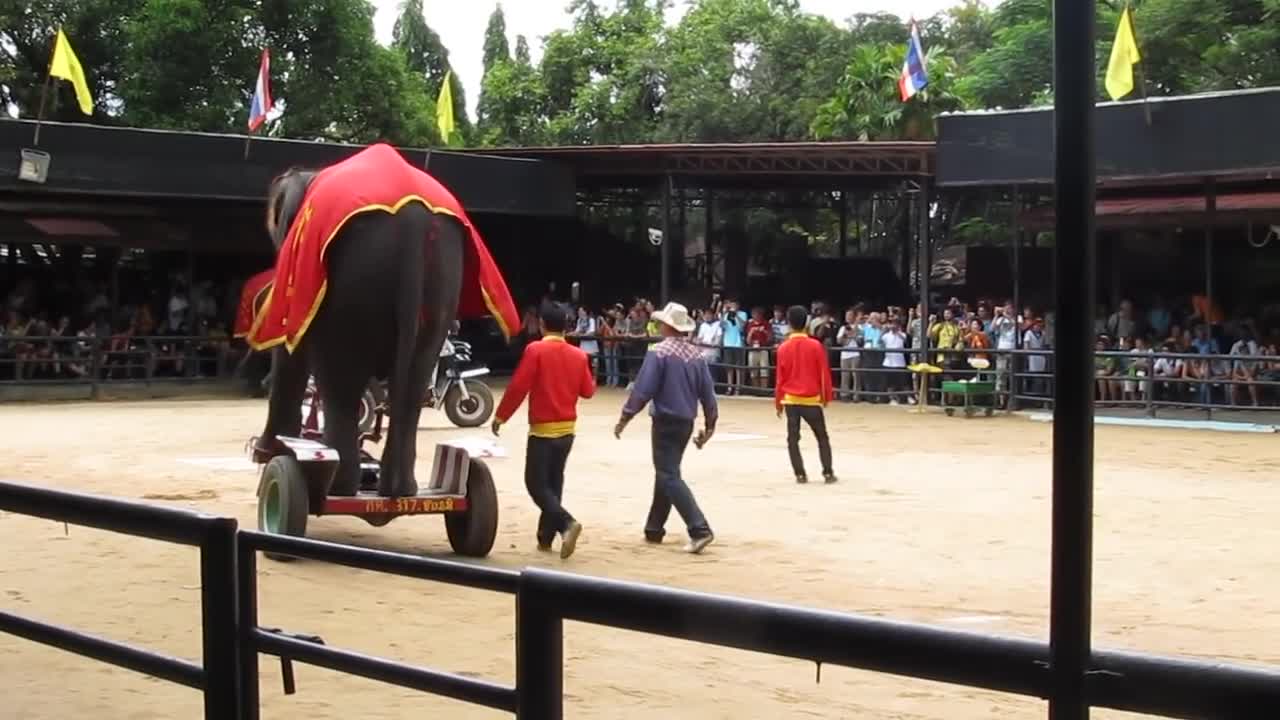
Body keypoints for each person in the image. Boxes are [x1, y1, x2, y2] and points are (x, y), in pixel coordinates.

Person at [492, 301, 594, 559]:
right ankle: (546, 538)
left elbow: (518, 386)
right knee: (554, 481)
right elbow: (588, 391)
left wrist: (501, 416)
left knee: (536, 484)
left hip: (543, 429)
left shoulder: (535, 350)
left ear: (541, 325)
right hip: (568, 430)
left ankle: (567, 523)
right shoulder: (579, 355)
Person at [614, 302, 717, 554]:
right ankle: (654, 527)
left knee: (668, 474)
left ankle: (699, 528)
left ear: (667, 325)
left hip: (665, 421)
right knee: (667, 471)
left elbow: (643, 389)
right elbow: (708, 395)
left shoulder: (658, 352)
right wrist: (710, 425)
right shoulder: (697, 356)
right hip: (686, 421)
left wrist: (626, 416)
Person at [774, 305, 836, 485]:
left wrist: (778, 402)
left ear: (789, 323)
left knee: (793, 439)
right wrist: (826, 397)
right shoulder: (815, 346)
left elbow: (780, 378)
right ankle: (827, 472)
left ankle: (800, 474)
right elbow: (824, 373)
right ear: (806, 322)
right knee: (822, 437)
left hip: (791, 400)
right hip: (812, 400)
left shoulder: (783, 348)